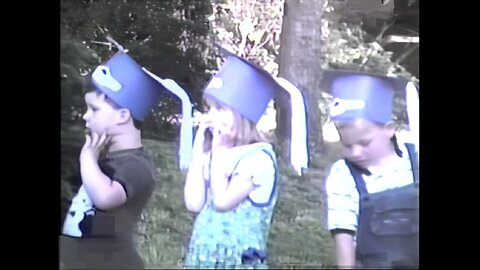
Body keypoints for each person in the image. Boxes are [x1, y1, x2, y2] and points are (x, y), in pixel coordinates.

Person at [60, 49, 193, 269]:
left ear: (122, 116)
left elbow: (105, 197)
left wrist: (87, 158)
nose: (86, 116)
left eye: (93, 109)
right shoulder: (104, 157)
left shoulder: (137, 166)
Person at [183, 48, 309, 269]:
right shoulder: (214, 151)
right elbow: (194, 204)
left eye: (220, 109)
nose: (211, 117)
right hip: (204, 256)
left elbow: (222, 202)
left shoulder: (258, 160)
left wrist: (219, 153)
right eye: (209, 108)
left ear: (244, 115)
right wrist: (199, 154)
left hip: (238, 260)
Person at [323, 70, 419, 268]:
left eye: (364, 142)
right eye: (347, 145)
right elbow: (344, 235)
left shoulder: (415, 157)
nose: (356, 152)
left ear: (389, 129)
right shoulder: (344, 174)